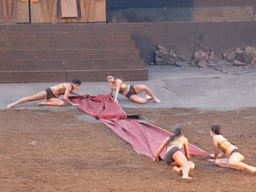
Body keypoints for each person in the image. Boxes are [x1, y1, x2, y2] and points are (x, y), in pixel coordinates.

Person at [6, 79, 82, 109]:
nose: (77, 87)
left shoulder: (71, 88)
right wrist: (72, 104)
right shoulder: (69, 86)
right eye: (76, 85)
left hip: (53, 96)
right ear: (73, 84)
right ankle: (13, 104)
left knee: (62, 104)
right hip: (48, 92)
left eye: (78, 86)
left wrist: (79, 94)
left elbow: (69, 92)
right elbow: (65, 97)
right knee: (30, 98)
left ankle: (43, 103)